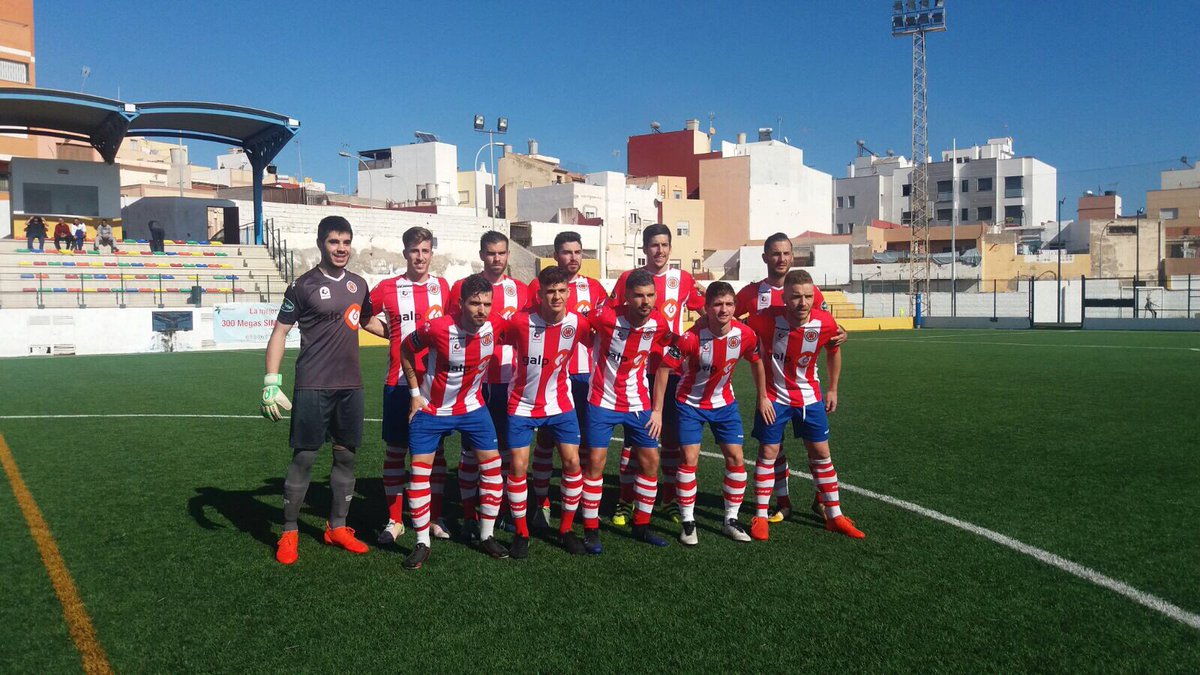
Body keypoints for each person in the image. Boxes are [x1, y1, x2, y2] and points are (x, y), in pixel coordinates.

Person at [261, 215, 375, 565]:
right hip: (313, 384)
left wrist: (412, 337)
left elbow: (369, 321)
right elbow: (280, 332)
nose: (341, 249)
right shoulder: (303, 286)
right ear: (320, 244)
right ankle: (290, 530)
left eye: (345, 242)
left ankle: (337, 527)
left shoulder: (359, 284)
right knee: (305, 457)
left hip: (350, 386)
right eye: (333, 242)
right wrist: (271, 380)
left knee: (346, 456)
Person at [734, 232, 847, 524]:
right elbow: (731, 320)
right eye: (775, 253)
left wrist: (841, 332)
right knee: (774, 446)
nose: (781, 259)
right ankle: (782, 502)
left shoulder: (810, 291)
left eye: (785, 253)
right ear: (765, 258)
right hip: (771, 382)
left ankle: (822, 502)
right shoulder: (752, 293)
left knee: (817, 448)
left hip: (806, 384)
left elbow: (825, 326)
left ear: (792, 256)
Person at [745, 269, 863, 542]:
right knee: (769, 451)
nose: (803, 303)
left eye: (808, 296)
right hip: (774, 396)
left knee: (821, 452)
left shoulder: (825, 322)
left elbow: (834, 351)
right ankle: (761, 515)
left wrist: (832, 388)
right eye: (796, 297)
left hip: (810, 396)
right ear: (784, 297)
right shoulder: (764, 320)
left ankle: (834, 515)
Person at [399, 274, 504, 569]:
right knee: (420, 473)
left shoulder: (496, 325)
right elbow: (406, 349)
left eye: (486, 304)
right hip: (432, 410)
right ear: (460, 304)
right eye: (474, 303)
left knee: (493, 467)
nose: (481, 310)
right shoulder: (438, 328)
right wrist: (414, 393)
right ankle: (422, 542)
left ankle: (486, 535)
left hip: (473, 409)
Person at [653, 282, 769, 545]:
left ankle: (731, 519)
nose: (723, 309)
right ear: (706, 308)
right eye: (717, 304)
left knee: (736, 457)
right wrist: (657, 411)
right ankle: (688, 521)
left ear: (735, 307)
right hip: (690, 404)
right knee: (689, 459)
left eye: (729, 304)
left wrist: (763, 397)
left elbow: (756, 362)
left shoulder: (746, 335)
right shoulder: (691, 337)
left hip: (724, 405)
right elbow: (663, 369)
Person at [608, 223, 705, 526]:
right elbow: (610, 315)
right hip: (635, 371)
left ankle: (669, 499)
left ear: (670, 248)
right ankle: (625, 501)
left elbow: (710, 314)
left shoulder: (684, 280)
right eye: (654, 245)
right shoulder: (629, 279)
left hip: (673, 371)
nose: (659, 251)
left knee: (671, 439)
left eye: (664, 245)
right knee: (633, 440)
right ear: (645, 249)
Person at [362, 226, 453, 545]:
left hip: (434, 383)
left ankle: (434, 516)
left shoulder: (444, 287)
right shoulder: (387, 287)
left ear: (432, 253)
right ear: (405, 253)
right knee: (396, 451)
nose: (420, 257)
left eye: (425, 250)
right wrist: (393, 336)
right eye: (414, 251)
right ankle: (395, 520)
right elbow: (362, 317)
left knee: (436, 452)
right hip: (398, 382)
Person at [497, 266, 592, 558]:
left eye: (562, 291)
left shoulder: (579, 324)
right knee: (517, 466)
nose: (556, 296)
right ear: (538, 295)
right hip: (522, 404)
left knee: (573, 462)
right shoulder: (519, 322)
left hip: (560, 403)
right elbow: (490, 339)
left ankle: (564, 529)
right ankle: (522, 532)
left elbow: (598, 345)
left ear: (568, 292)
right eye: (550, 291)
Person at [582, 270, 678, 552]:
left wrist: (658, 410)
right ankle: (590, 529)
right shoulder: (605, 318)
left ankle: (642, 526)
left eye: (650, 295)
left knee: (650, 462)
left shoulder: (659, 322)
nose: (645, 301)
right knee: (596, 464)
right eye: (638, 296)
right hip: (602, 400)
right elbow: (579, 326)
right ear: (626, 298)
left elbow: (673, 348)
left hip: (639, 402)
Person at [447, 231, 529, 538]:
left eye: (502, 253)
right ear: (482, 254)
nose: (497, 259)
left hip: (510, 381)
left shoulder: (520, 290)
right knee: (470, 453)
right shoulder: (464, 287)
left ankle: (505, 510)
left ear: (508, 255)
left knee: (508, 452)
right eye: (491, 253)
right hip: (475, 383)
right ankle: (470, 514)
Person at [523, 230, 607, 528]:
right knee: (545, 442)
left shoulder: (595, 288)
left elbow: (602, 329)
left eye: (578, 252)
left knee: (580, 445)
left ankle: (582, 502)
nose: (574, 258)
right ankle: (542, 503)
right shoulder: (538, 285)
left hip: (585, 375)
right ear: (556, 255)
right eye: (567, 252)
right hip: (550, 376)